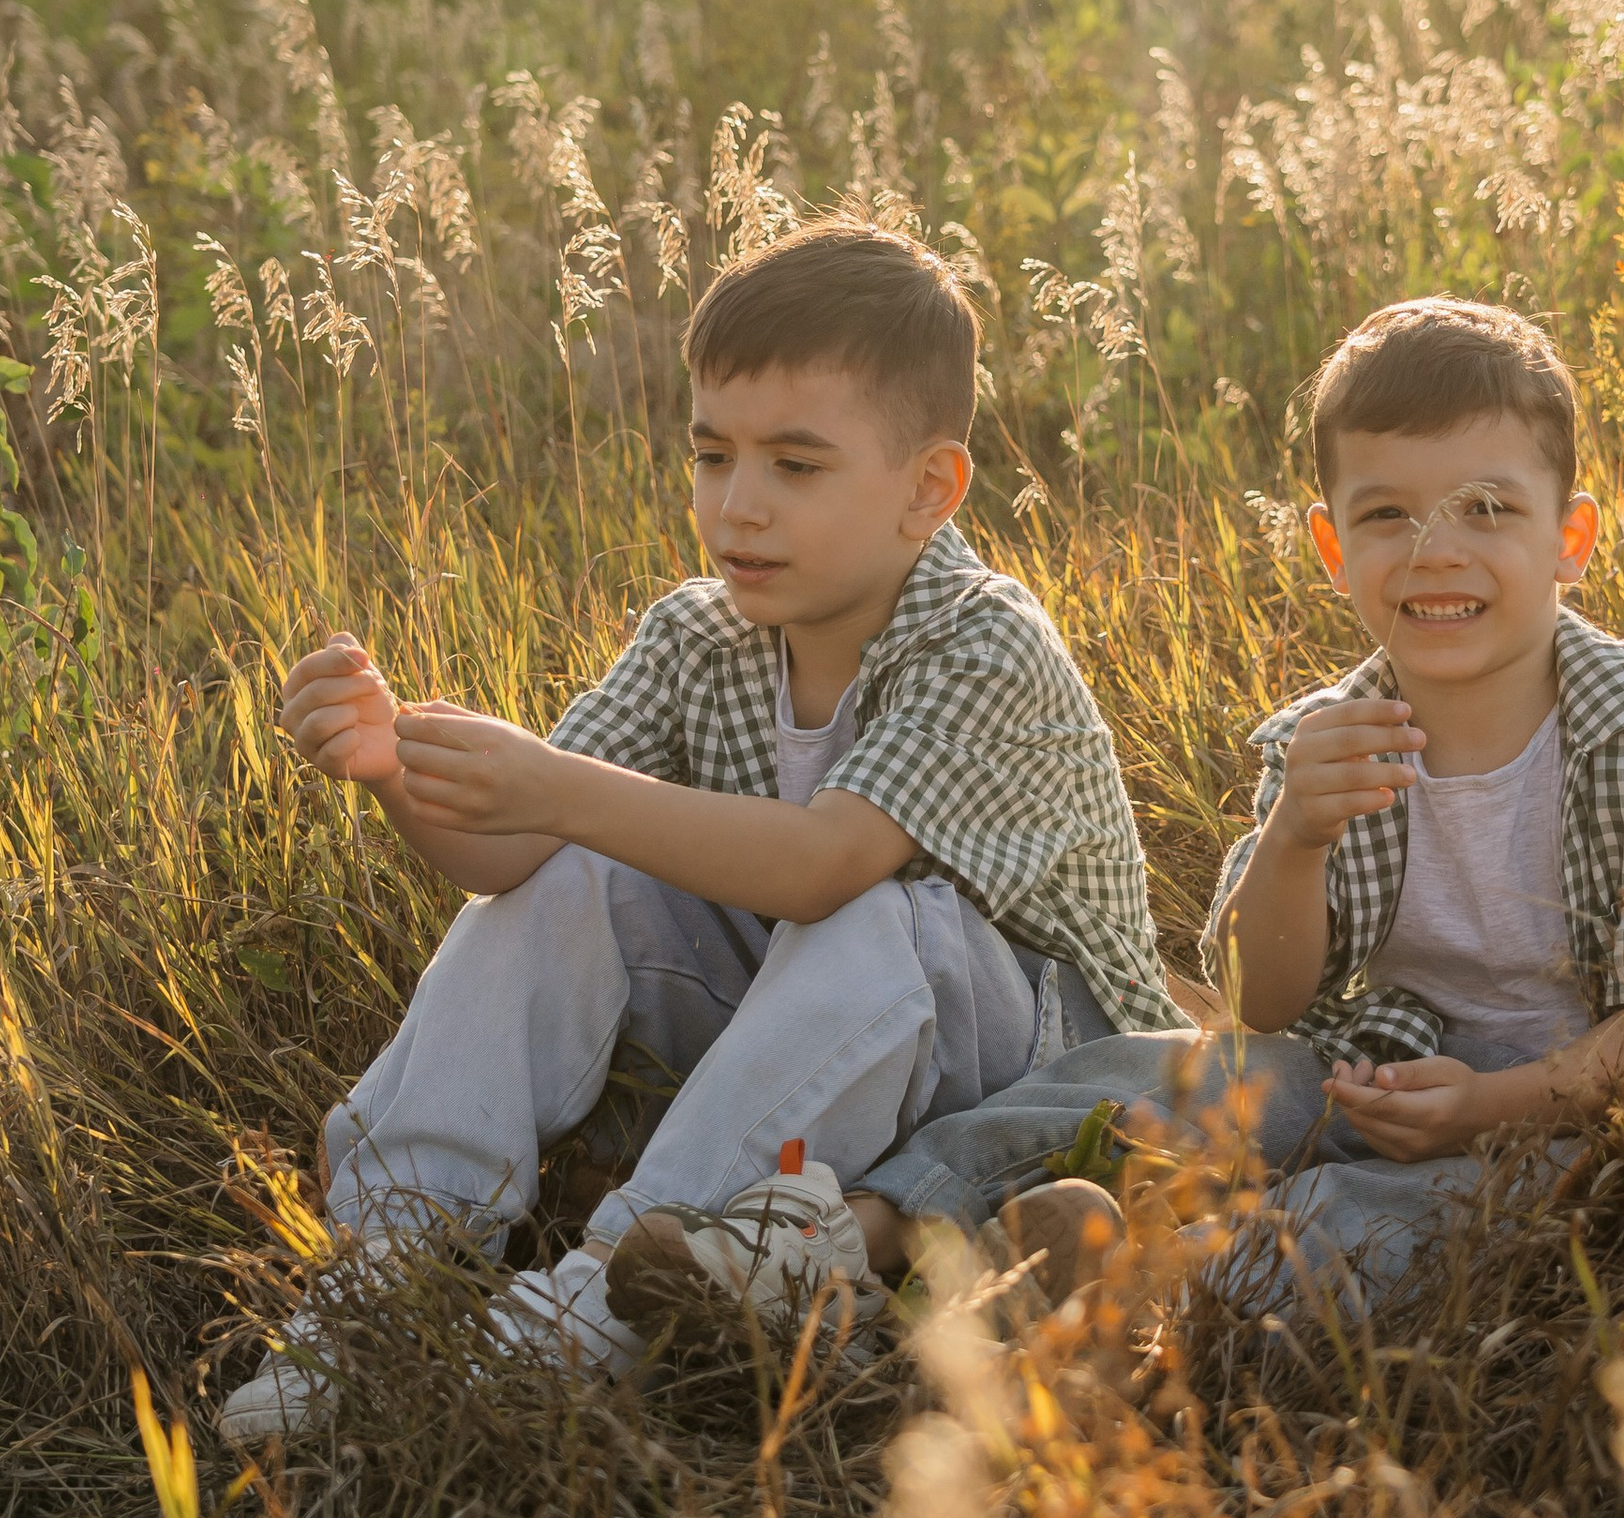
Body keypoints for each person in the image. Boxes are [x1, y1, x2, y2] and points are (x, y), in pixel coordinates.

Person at [217, 220, 1181, 1440]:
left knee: (878, 903)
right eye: (712, 455)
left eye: (795, 465)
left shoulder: (983, 639)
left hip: (1034, 1060)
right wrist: (395, 769)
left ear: (928, 491)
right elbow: (511, 858)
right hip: (816, 1035)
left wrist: (557, 788)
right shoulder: (696, 634)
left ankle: (595, 1307)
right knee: (569, 879)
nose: (739, 506)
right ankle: (380, 1273)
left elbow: (824, 864)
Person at [855, 295, 1624, 1305]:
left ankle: (1121, 1293)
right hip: (1372, 1069)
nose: (1434, 550)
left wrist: (1490, 1105)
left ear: (1570, 538)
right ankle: (846, 1239)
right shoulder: (1332, 738)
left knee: (1364, 1222)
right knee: (1137, 1074)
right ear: (1333, 547)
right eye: (1388, 515)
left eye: (1485, 508)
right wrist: (1295, 836)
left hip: (1568, 1117)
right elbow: (1259, 1004)